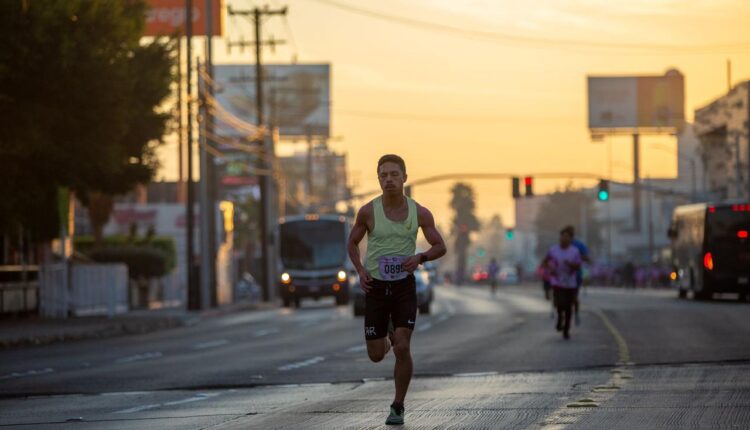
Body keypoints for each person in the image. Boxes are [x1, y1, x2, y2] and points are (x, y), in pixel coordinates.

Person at [347, 154, 447, 425]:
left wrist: (420, 257)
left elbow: (440, 246)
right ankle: (388, 335)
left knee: (403, 347)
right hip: (376, 288)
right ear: (378, 179)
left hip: (404, 287)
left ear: (404, 177)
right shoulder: (368, 211)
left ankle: (398, 405)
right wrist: (361, 270)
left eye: (394, 174)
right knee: (376, 355)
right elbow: (352, 243)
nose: (388, 179)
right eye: (383, 175)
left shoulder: (420, 213)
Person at [540, 226, 581, 339]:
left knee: (568, 307)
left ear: (570, 239)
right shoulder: (553, 250)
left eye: (567, 237)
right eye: (562, 236)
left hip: (570, 282)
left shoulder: (574, 251)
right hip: (557, 281)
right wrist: (549, 269)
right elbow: (544, 262)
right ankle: (559, 318)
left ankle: (566, 329)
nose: (564, 239)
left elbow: (578, 266)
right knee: (559, 303)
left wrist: (570, 264)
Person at [568, 226, 590, 326]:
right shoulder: (559, 246)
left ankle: (576, 313)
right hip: (561, 277)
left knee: (574, 296)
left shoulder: (579, 245)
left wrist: (578, 256)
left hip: (575, 275)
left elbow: (587, 257)